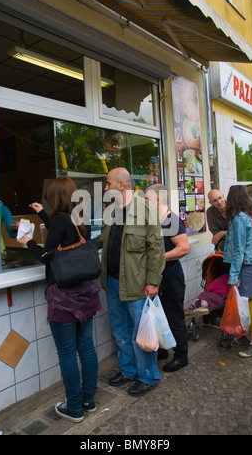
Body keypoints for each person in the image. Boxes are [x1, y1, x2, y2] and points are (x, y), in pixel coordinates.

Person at [17, 177, 101, 423]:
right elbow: (62, 234)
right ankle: (89, 400)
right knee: (86, 346)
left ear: (54, 198)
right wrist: (43, 214)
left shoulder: (61, 222)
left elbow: (47, 255)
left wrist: (28, 242)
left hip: (65, 299)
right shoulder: (77, 219)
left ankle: (74, 407)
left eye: (47, 199)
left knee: (66, 353)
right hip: (86, 295)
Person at [97, 167, 165, 397]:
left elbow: (156, 249)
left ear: (121, 185)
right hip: (113, 283)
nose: (105, 188)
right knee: (120, 332)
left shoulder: (145, 210)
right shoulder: (111, 211)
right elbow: (103, 241)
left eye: (108, 184)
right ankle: (128, 371)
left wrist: (153, 281)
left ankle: (148, 376)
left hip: (138, 285)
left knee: (142, 333)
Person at [145, 184, 190, 373]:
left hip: (171, 278)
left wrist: (159, 258)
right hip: (158, 278)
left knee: (174, 317)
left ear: (157, 199)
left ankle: (181, 355)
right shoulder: (156, 219)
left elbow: (184, 248)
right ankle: (162, 350)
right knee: (158, 317)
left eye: (146, 200)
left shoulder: (171, 220)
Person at [223, 185, 252, 358]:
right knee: (251, 303)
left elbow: (239, 250)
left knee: (249, 305)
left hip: (247, 267)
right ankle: (248, 336)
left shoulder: (240, 219)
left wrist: (233, 276)